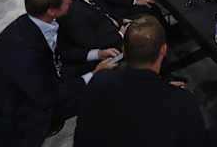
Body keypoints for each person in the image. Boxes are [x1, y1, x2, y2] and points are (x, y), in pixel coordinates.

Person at [0, 0, 114, 147]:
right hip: (24, 110)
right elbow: (47, 96)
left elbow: (59, 53)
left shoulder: (36, 23)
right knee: (99, 89)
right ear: (51, 11)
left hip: (47, 78)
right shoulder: (25, 52)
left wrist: (98, 54)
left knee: (98, 69)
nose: (71, 1)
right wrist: (93, 75)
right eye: (67, 0)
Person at [74, 15, 208, 147]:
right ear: (163, 50)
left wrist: (164, 90)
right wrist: (169, 93)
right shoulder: (183, 102)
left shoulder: (100, 79)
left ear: (124, 50)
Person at [57, 0, 123, 78]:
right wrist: (120, 34)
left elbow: (103, 10)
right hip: (109, 47)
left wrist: (120, 21)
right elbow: (91, 42)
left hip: (113, 27)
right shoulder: (72, 11)